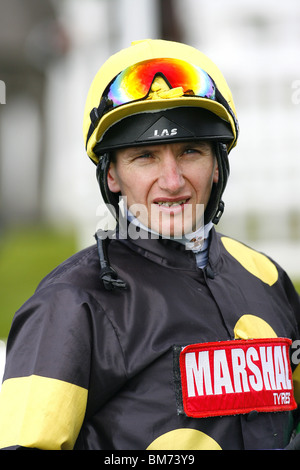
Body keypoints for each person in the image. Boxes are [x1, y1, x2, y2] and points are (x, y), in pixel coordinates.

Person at [0, 38, 300, 451]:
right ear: (111, 175)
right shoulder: (69, 303)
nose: (173, 181)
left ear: (217, 165)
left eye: (190, 150)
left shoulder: (268, 278)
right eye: (145, 156)